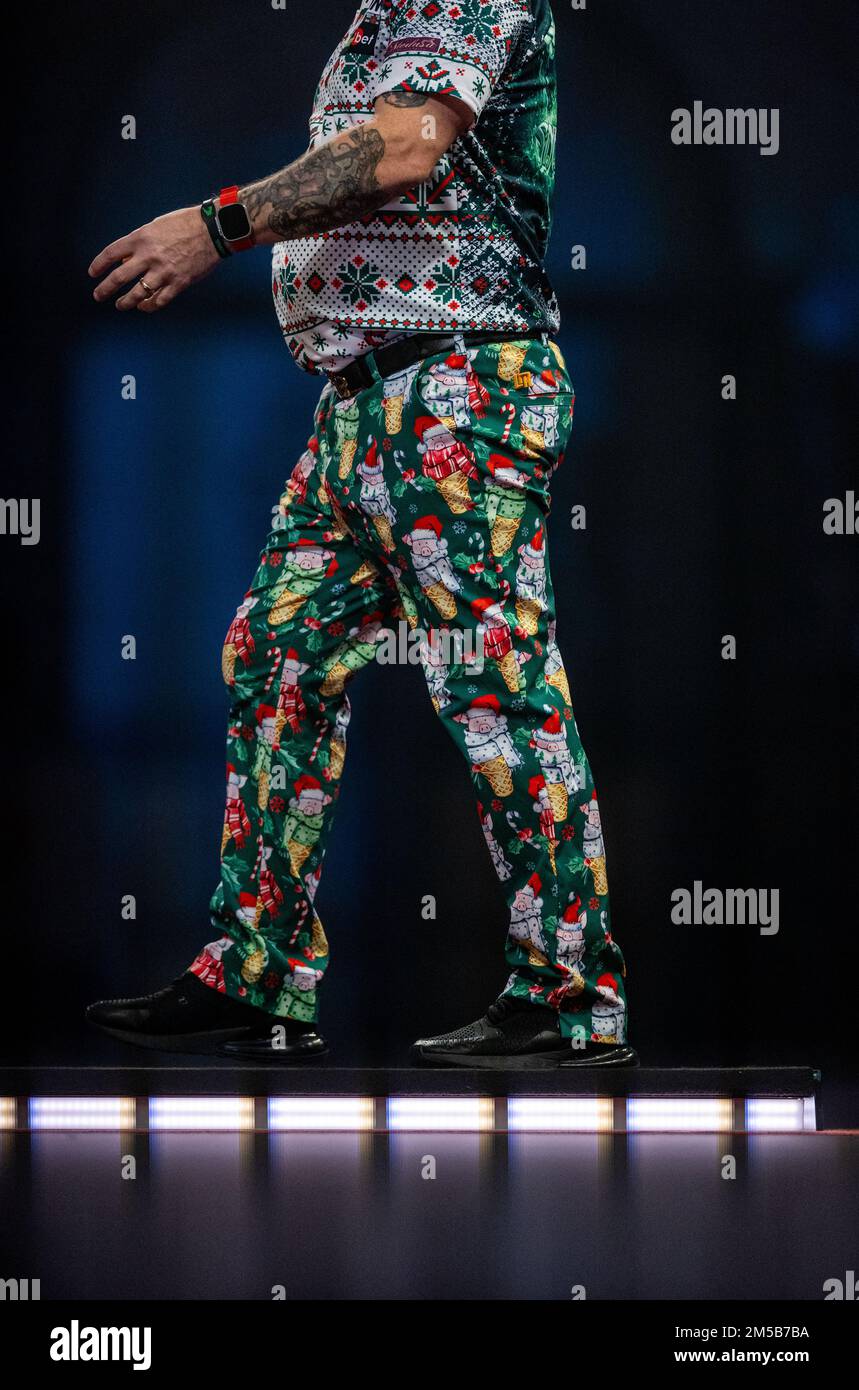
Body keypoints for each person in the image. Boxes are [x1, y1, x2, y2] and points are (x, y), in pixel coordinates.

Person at [86, 1, 635, 1069]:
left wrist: (216, 224)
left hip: (458, 385)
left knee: (494, 681)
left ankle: (569, 996)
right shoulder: (380, 18)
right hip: (363, 397)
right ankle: (258, 973)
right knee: (275, 653)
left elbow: (406, 149)